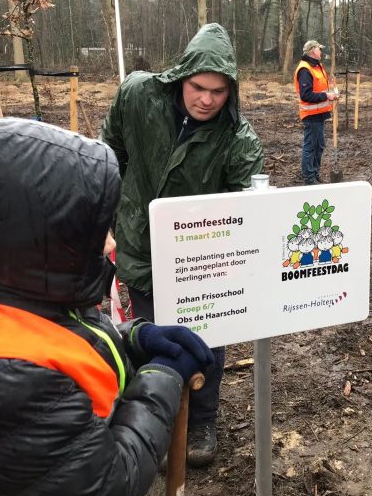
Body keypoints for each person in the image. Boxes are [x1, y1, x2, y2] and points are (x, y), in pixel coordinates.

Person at [0, 118, 214, 496]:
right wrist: (164, 377)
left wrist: (135, 338)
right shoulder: (1, 381)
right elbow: (110, 485)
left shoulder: (10, 293)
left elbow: (69, 346)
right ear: (40, 242)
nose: (110, 245)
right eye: (91, 232)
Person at [101, 23, 264, 467]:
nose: (207, 99)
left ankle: (203, 420)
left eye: (218, 91)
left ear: (232, 90)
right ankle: (151, 424)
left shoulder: (238, 140)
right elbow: (108, 150)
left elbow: (248, 211)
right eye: (198, 87)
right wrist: (104, 217)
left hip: (204, 265)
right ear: (182, 76)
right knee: (151, 338)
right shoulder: (137, 96)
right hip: (140, 246)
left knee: (206, 342)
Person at [294, 40, 339, 185]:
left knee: (319, 145)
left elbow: (319, 88)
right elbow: (306, 95)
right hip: (311, 115)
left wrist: (331, 89)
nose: (321, 51)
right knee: (311, 146)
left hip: (319, 113)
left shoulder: (317, 66)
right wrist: (327, 96)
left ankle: (315, 173)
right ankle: (309, 178)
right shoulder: (305, 69)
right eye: (319, 49)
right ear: (313, 51)